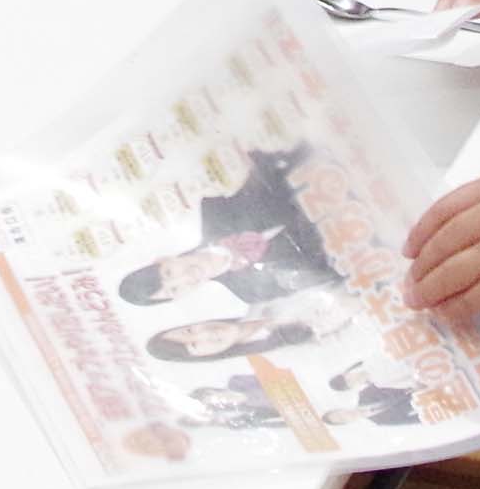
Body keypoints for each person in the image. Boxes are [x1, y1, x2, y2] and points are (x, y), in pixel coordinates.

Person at [118, 147, 336, 307]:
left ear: (163, 259)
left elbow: (269, 164)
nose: (185, 277)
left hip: (329, 165)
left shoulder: (213, 207)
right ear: (180, 297)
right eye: (174, 289)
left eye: (168, 273)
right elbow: (328, 274)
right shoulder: (250, 291)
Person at [145, 289, 354, 363]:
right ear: (205, 357)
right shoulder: (282, 355)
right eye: (195, 346)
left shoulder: (250, 299)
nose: (205, 334)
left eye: (189, 331)